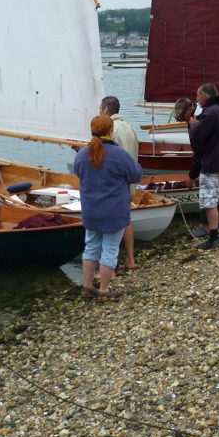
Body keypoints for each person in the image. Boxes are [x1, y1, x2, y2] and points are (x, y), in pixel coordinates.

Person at [73, 115, 143, 301]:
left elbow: (78, 173)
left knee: (91, 248)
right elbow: (136, 175)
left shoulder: (81, 154)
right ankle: (104, 290)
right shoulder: (119, 154)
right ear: (111, 131)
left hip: (91, 211)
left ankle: (87, 287)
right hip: (114, 211)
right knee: (110, 249)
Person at [188, 83, 219, 250]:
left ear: (205, 96)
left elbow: (198, 137)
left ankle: (213, 236)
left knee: (209, 202)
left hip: (213, 163)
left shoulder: (210, 112)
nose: (196, 99)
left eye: (198, 95)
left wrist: (193, 125)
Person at [100, 96, 140, 273]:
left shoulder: (110, 129)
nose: (99, 112)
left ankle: (111, 266)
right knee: (126, 221)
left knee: (111, 224)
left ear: (106, 111)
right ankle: (130, 260)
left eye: (100, 109)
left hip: (114, 184)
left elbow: (108, 157)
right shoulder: (130, 128)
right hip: (129, 182)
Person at [174, 97, 209, 239]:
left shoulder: (197, 122)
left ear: (190, 109)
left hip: (209, 163)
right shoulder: (196, 120)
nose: (182, 119)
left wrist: (192, 176)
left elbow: (199, 152)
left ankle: (206, 226)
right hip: (214, 160)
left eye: (183, 116)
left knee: (206, 196)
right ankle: (218, 222)